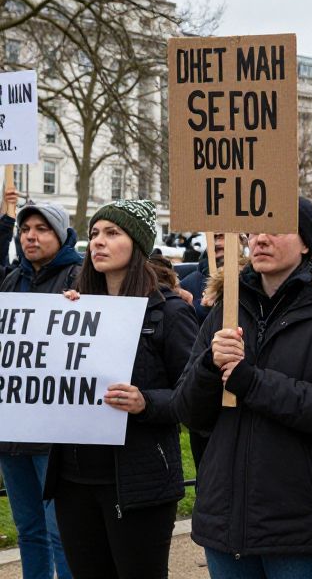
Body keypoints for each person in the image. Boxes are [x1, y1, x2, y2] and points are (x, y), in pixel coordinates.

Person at [173, 197, 312, 578]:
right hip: (225, 515)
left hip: (297, 520)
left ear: (306, 243)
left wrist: (251, 380)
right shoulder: (227, 306)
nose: (260, 239)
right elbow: (187, 411)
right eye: (254, 230)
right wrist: (210, 368)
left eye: (275, 229)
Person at [43, 199, 198, 579]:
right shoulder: (72, 309)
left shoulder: (169, 312)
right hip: (73, 483)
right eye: (95, 233)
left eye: (112, 233)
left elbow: (194, 394)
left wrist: (146, 402)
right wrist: (58, 325)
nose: (98, 242)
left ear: (138, 245)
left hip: (137, 484)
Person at [0, 201, 79, 579]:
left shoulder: (78, 279)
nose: (31, 236)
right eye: (25, 228)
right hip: (12, 431)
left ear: (60, 234)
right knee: (28, 530)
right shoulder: (11, 281)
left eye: (42, 228)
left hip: (54, 433)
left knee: (60, 530)